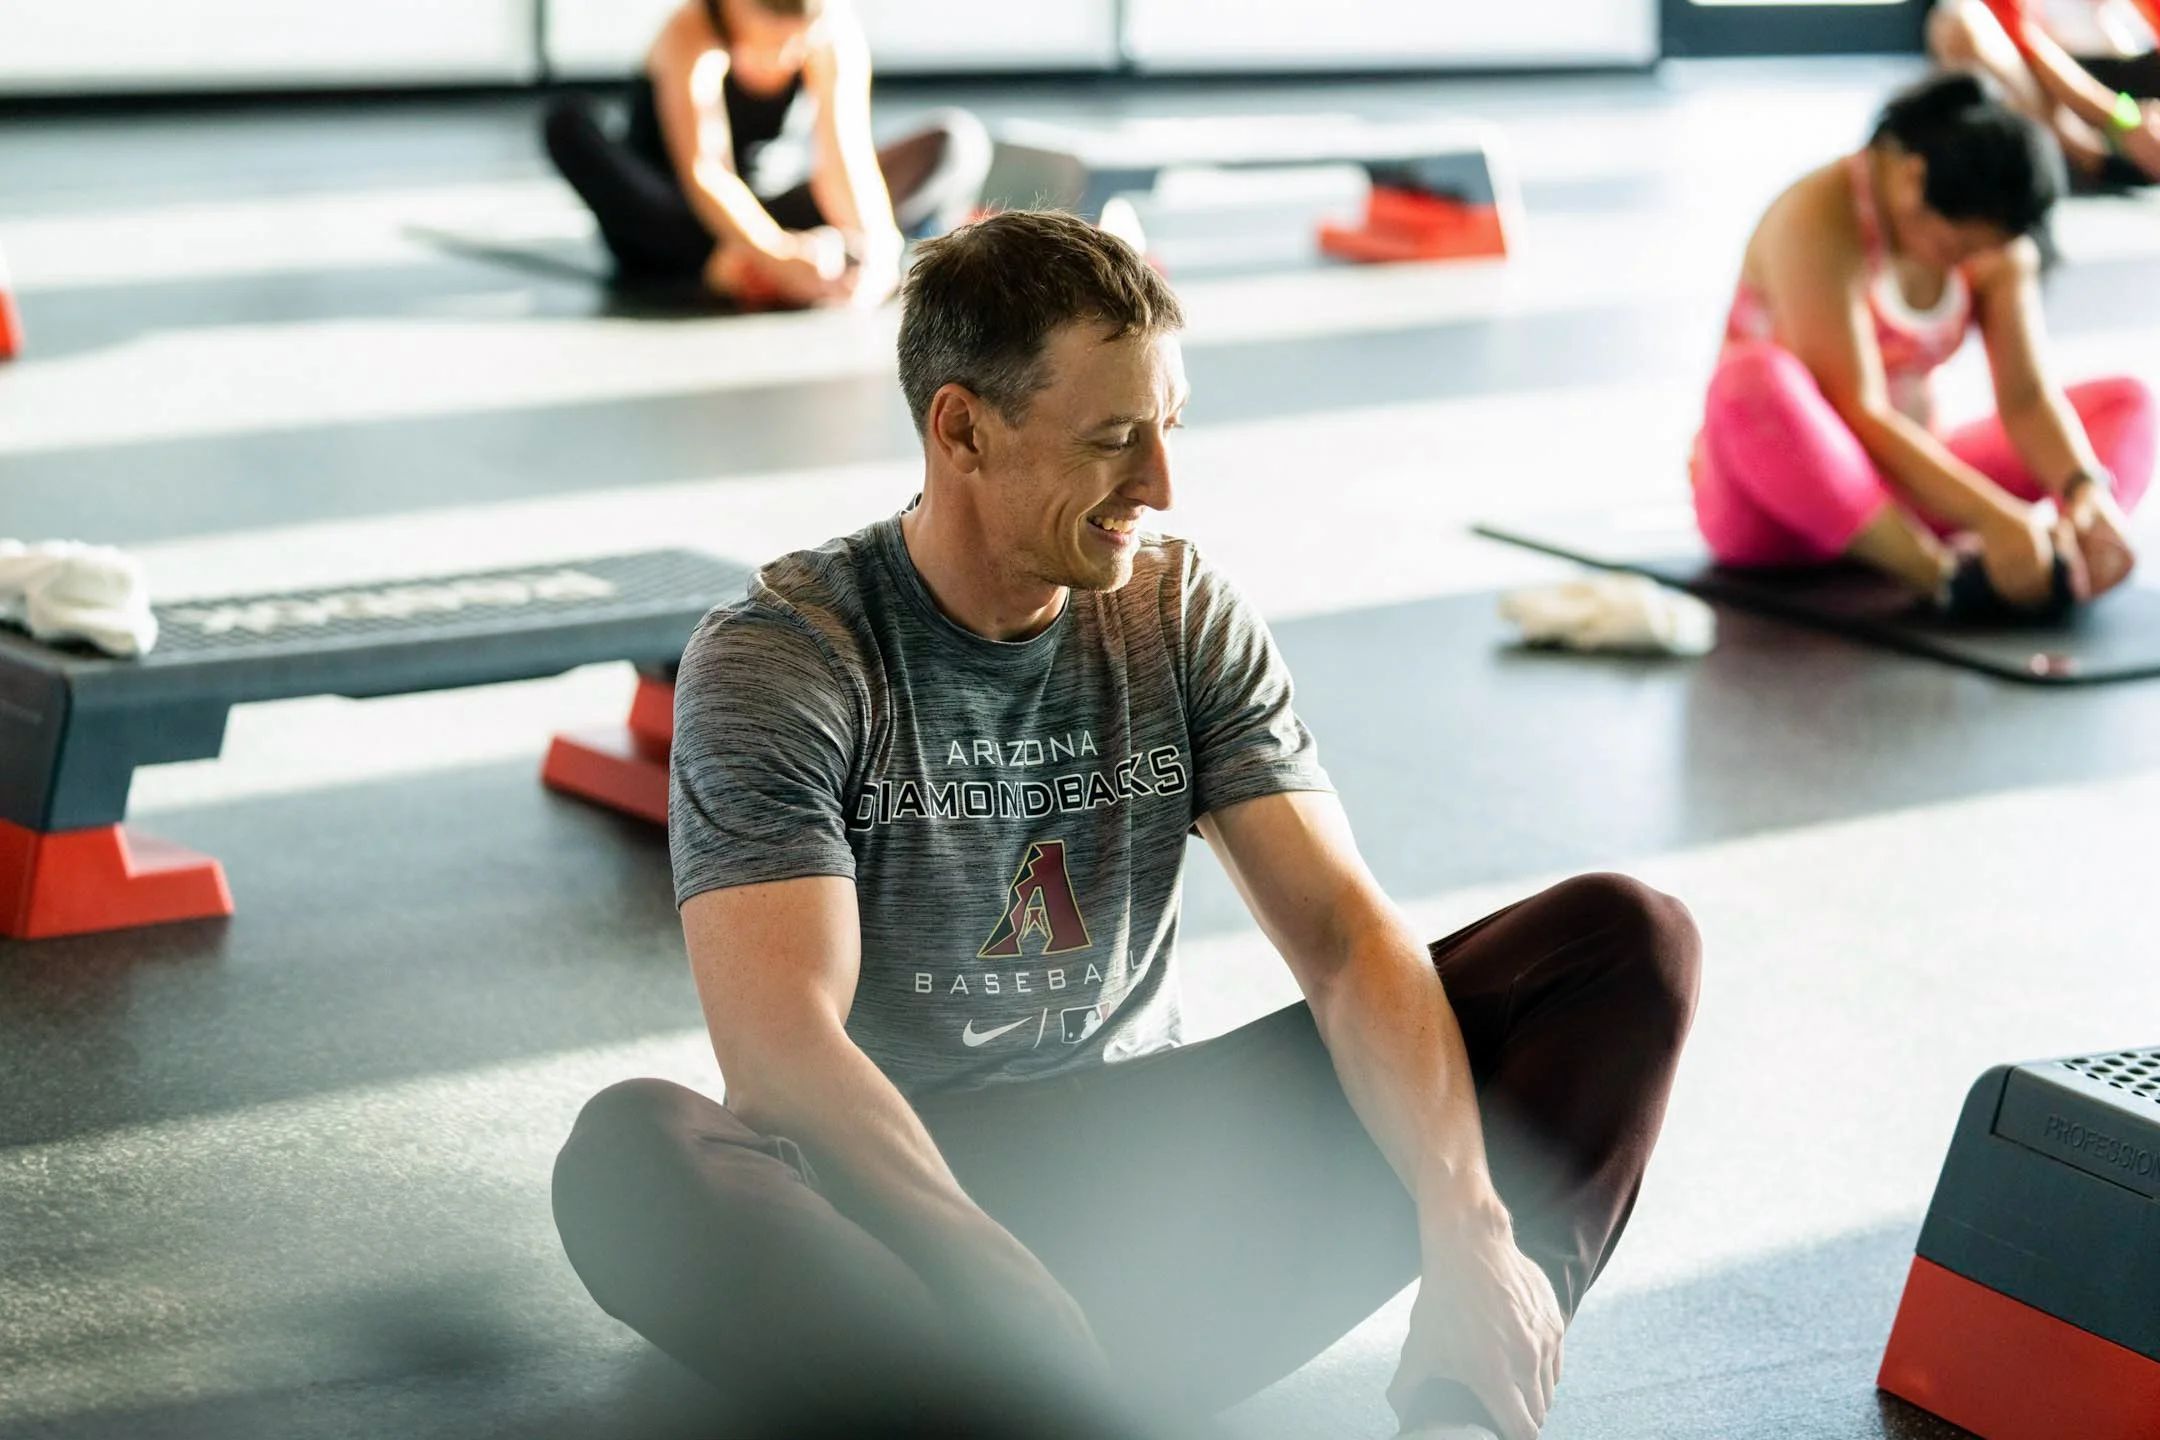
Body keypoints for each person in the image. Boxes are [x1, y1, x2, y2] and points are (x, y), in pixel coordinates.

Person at [550, 210, 1700, 1440]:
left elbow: (1345, 942)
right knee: (634, 1155)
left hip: (1159, 1212)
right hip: (897, 1239)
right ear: (962, 429)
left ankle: (1465, 1412)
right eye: (1113, 440)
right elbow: (781, 1051)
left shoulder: (1175, 609)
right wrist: (999, 1285)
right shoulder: (790, 654)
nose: (1160, 484)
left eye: (1170, 427)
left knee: (1625, 942)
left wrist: (1469, 1220)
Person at [1692, 72, 2155, 618]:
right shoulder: (1817, 215)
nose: (1965, 263)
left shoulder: (1999, 243)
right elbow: (1856, 411)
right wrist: (1993, 518)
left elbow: (2026, 397)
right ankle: (1944, 574)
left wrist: (2084, 490)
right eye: (1955, 246)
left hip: (1911, 491)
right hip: (1782, 509)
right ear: (1914, 181)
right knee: (1751, 379)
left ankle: (2059, 554)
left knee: (2127, 404)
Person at [542, 0, 988, 308]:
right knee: (566, 121)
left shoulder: (832, 30)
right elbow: (706, 172)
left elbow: (844, 160)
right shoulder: (693, 29)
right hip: (670, 213)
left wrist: (875, 247)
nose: (787, 55)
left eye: (799, 44)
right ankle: (722, 265)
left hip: (766, 209)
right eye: (773, 43)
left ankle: (742, 268)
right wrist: (774, 254)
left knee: (955, 143)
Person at [1929, 0, 2160, 184]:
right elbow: (2023, 38)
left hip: (2138, 89)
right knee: (1958, 20)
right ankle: (2087, 159)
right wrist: (2123, 119)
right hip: (2058, 107)